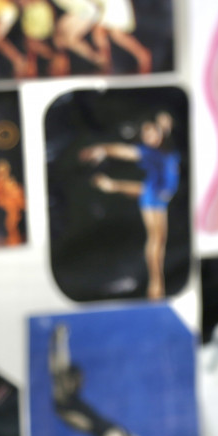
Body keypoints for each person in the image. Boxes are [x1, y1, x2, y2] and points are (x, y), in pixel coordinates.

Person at [80, 112, 180, 300]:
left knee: (160, 238)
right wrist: (102, 149)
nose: (150, 137)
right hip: (154, 195)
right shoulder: (148, 152)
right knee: (156, 237)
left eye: (153, 132)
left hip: (163, 194)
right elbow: (123, 151)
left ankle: (157, 282)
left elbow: (166, 127)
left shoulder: (167, 145)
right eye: (146, 135)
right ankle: (156, 282)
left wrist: (164, 121)